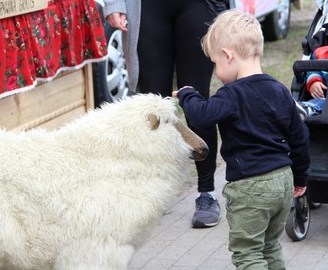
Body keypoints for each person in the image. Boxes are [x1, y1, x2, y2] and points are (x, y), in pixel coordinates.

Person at [173, 10, 310, 269]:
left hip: (251, 188)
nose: (216, 70)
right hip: (283, 180)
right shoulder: (280, 90)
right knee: (270, 246)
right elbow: (300, 137)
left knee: (248, 254)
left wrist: (188, 94)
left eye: (215, 63)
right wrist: (300, 177)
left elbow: (201, 117)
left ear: (227, 55)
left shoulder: (230, 96)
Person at [102, 0, 229, 228]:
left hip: (198, 6)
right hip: (148, 8)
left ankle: (207, 192)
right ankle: (154, 191)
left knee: (197, 100)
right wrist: (113, 4)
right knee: (153, 105)